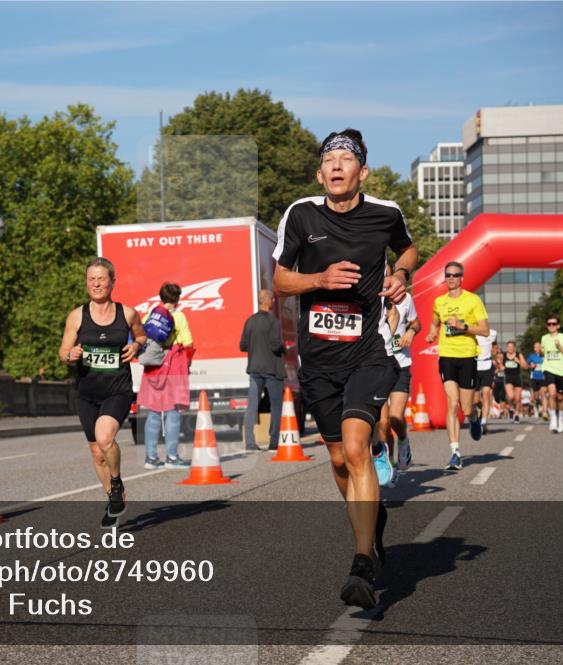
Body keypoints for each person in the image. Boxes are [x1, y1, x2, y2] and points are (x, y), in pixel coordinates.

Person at [273, 128, 417, 610]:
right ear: (320, 175)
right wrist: (319, 278)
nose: (336, 165)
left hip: (368, 353)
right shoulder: (301, 214)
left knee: (357, 448)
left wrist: (400, 274)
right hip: (318, 361)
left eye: (346, 158)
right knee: (338, 460)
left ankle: (362, 562)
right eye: (328, 160)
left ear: (363, 172)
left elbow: (408, 248)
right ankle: (372, 526)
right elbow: (279, 281)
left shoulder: (385, 213)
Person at [59, 257, 146, 528]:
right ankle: (113, 499)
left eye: (101, 278)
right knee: (97, 453)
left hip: (117, 389)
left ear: (112, 282)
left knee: (105, 437)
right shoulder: (76, 316)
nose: (96, 284)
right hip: (86, 392)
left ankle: (117, 484)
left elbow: (141, 336)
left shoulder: (127, 313)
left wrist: (137, 346)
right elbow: (63, 351)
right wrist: (70, 355)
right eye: (91, 279)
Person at [425, 261, 489, 471]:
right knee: (452, 403)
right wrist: (432, 333)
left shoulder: (473, 300)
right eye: (448, 275)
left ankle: (474, 417)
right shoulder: (439, 302)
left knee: (466, 408)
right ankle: (455, 453)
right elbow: (435, 322)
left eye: (455, 275)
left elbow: (485, 330)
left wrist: (463, 326)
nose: (451, 278)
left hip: (467, 356)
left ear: (462, 278)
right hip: (447, 356)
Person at [138, 283, 194, 469]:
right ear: (177, 299)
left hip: (153, 368)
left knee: (153, 412)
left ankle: (150, 458)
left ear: (161, 297)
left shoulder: (149, 315)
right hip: (173, 367)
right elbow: (188, 343)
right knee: (173, 411)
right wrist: (187, 364)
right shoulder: (179, 316)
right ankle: (171, 457)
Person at [376, 281, 420, 475]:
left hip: (400, 364)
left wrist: (411, 331)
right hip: (377, 367)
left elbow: (417, 323)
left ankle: (403, 440)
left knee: (395, 417)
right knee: (383, 423)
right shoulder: (370, 297)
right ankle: (390, 465)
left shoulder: (404, 298)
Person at [240, 289, 287, 452]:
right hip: (272, 369)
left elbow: (243, 346)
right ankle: (274, 442)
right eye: (273, 300)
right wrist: (284, 348)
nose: (273, 302)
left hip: (254, 369)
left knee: (252, 406)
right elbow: (275, 345)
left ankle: (250, 443)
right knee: (276, 405)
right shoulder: (273, 322)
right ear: (269, 301)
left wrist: (256, 346)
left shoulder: (249, 321)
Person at [541, 315, 563, 434]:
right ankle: (553, 418)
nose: (551, 326)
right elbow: (543, 352)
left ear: (558, 326)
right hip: (549, 369)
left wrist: (559, 346)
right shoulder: (544, 338)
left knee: (561, 398)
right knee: (552, 393)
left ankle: (560, 417)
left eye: (553, 324)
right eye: (549, 324)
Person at [474, 331, 498, 434]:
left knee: (486, 394)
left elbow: (495, 344)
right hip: (474, 366)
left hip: (487, 366)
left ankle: (483, 422)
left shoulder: (492, 333)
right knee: (475, 400)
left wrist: (494, 350)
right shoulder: (472, 332)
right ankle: (482, 410)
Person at [502, 341, 528, 424]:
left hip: (517, 377)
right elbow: (500, 366)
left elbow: (526, 366)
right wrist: (501, 367)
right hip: (508, 377)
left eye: (512, 347)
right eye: (508, 347)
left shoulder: (519, 355)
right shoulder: (503, 355)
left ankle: (516, 415)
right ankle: (510, 407)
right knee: (511, 396)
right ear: (506, 348)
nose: (510, 348)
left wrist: (519, 361)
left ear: (514, 348)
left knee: (517, 399)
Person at [527, 342, 547, 420]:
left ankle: (544, 411)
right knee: (536, 396)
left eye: (539, 347)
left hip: (543, 377)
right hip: (534, 377)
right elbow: (527, 365)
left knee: (543, 393)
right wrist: (531, 365)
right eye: (536, 347)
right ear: (534, 348)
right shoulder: (531, 356)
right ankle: (537, 407)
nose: (537, 348)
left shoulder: (545, 355)